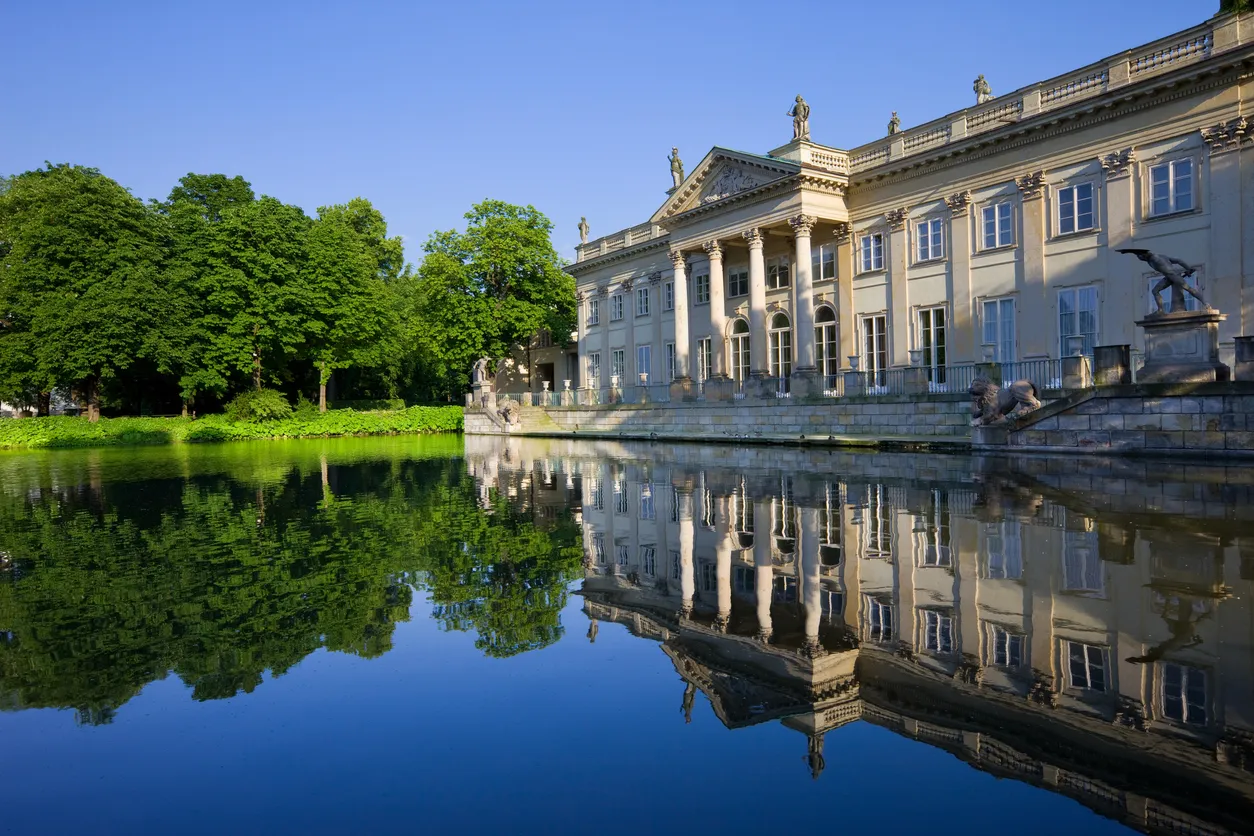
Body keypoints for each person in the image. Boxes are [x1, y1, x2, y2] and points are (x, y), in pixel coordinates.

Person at [1117, 248, 1206, 313]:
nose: (1140, 259)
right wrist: (1188, 268)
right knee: (1155, 291)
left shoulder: (1154, 258)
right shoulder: (1160, 256)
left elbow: (1145, 252)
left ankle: (1205, 304)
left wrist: (1128, 251)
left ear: (1144, 255)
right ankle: (1160, 310)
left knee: (1189, 289)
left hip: (1173, 275)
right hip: (1168, 277)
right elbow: (1178, 260)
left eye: (1140, 257)